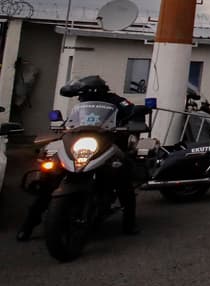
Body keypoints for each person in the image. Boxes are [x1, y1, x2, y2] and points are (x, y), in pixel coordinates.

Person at [17, 75, 138, 241]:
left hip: (107, 141)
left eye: (82, 93)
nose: (80, 97)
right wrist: (63, 127)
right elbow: (72, 122)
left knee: (123, 175)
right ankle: (28, 224)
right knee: (50, 179)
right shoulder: (82, 106)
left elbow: (132, 111)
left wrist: (131, 121)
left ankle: (129, 222)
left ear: (93, 90)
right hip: (79, 142)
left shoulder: (116, 100)